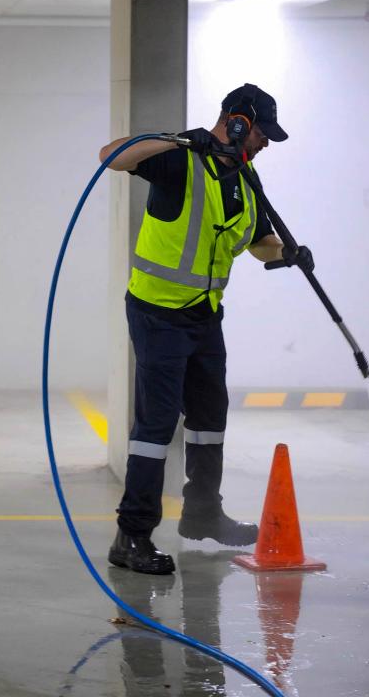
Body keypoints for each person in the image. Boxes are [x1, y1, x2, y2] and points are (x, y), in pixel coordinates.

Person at [97, 83, 312, 575]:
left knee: (210, 417)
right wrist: (180, 140)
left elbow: (260, 241)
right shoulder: (182, 160)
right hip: (157, 314)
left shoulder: (243, 176)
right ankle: (131, 535)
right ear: (237, 122)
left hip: (204, 315)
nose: (265, 144)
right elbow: (111, 156)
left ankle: (202, 515)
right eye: (261, 133)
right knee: (155, 427)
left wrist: (289, 254)